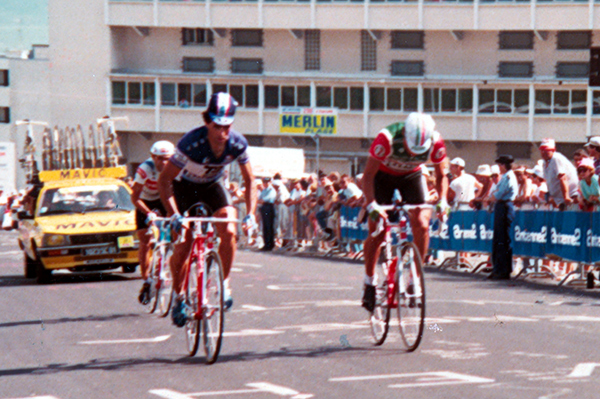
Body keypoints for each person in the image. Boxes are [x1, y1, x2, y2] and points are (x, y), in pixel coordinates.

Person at [158, 92, 257, 327]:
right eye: (216, 127)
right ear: (207, 122)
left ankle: (223, 283)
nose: (222, 133)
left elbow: (250, 180)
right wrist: (174, 215)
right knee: (183, 244)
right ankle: (179, 296)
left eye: (227, 127)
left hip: (213, 187)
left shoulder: (237, 143)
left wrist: (251, 214)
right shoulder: (190, 144)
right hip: (184, 189)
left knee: (230, 230)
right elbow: (164, 181)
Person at [360, 112, 449, 312]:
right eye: (410, 147)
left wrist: (443, 201)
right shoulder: (387, 138)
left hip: (411, 176)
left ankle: (414, 278)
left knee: (422, 223)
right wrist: (371, 204)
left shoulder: (436, 142)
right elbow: (367, 176)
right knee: (378, 230)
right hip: (381, 177)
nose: (412, 152)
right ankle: (369, 281)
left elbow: (442, 174)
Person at [131, 140, 175, 305]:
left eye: (167, 159)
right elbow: (134, 197)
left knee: (177, 235)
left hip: (164, 199)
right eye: (159, 158)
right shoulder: (145, 169)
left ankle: (167, 261)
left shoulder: (175, 168)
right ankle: (147, 280)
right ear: (152, 157)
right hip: (145, 201)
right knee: (145, 241)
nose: (163, 163)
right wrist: (149, 213)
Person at [485, 155, 518, 280]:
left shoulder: (508, 177)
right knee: (499, 239)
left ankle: (503, 270)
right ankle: (498, 268)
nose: (499, 168)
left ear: (504, 165)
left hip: (505, 206)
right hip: (501, 206)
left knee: (503, 239)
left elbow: (498, 194)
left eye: (500, 165)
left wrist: (491, 198)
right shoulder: (505, 177)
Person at [539, 138, 579, 211]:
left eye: (546, 150)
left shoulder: (556, 158)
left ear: (553, 150)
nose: (543, 152)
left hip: (570, 198)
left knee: (570, 221)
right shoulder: (545, 162)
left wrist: (566, 196)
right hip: (560, 201)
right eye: (542, 150)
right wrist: (552, 197)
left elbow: (563, 178)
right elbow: (549, 182)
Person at [258, 176, 277, 251]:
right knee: (265, 226)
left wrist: (261, 201)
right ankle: (266, 243)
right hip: (264, 207)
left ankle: (270, 244)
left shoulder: (271, 190)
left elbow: (265, 199)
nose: (265, 184)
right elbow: (259, 199)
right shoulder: (264, 190)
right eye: (264, 182)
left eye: (267, 182)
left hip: (269, 207)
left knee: (269, 226)